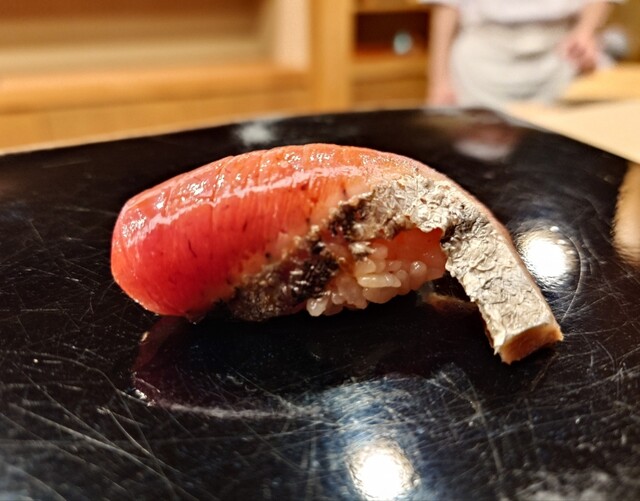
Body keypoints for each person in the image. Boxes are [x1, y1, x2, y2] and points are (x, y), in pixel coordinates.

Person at [424, 1, 619, 108]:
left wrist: (585, 30)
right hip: (482, 61)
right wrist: (439, 81)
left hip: (560, 55)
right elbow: (444, 6)